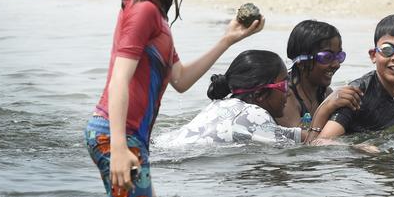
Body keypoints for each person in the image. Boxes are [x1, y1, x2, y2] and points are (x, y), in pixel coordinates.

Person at [84, 0, 263, 197]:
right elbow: (119, 80)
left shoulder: (156, 15)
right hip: (116, 134)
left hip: (129, 136)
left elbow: (179, 79)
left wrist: (228, 40)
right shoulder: (142, 11)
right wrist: (117, 147)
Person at [154, 50, 361, 147]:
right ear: (260, 94)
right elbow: (308, 148)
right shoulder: (253, 115)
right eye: (283, 85)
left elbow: (294, 135)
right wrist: (326, 108)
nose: (288, 92)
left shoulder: (224, 103)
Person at [308, 14, 394, 141]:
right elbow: (321, 143)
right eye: (387, 49)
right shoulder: (356, 94)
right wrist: (356, 149)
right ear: (373, 55)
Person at [276, 20, 347, 128]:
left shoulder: (325, 93)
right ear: (301, 62)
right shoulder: (285, 96)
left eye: (339, 56)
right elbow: (300, 142)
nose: (336, 64)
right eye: (327, 57)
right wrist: (326, 109)